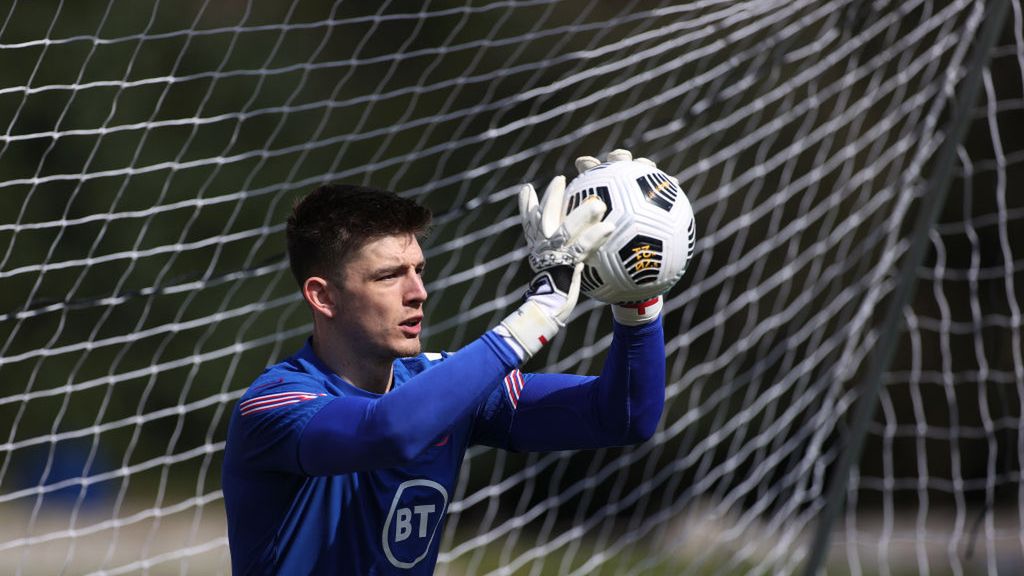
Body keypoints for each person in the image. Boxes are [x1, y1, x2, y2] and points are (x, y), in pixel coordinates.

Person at [222, 150, 668, 575]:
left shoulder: (440, 384)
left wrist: (637, 298)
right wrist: (537, 315)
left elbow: (624, 417)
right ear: (323, 296)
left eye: (419, 270)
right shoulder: (275, 405)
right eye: (389, 276)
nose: (418, 292)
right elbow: (388, 432)